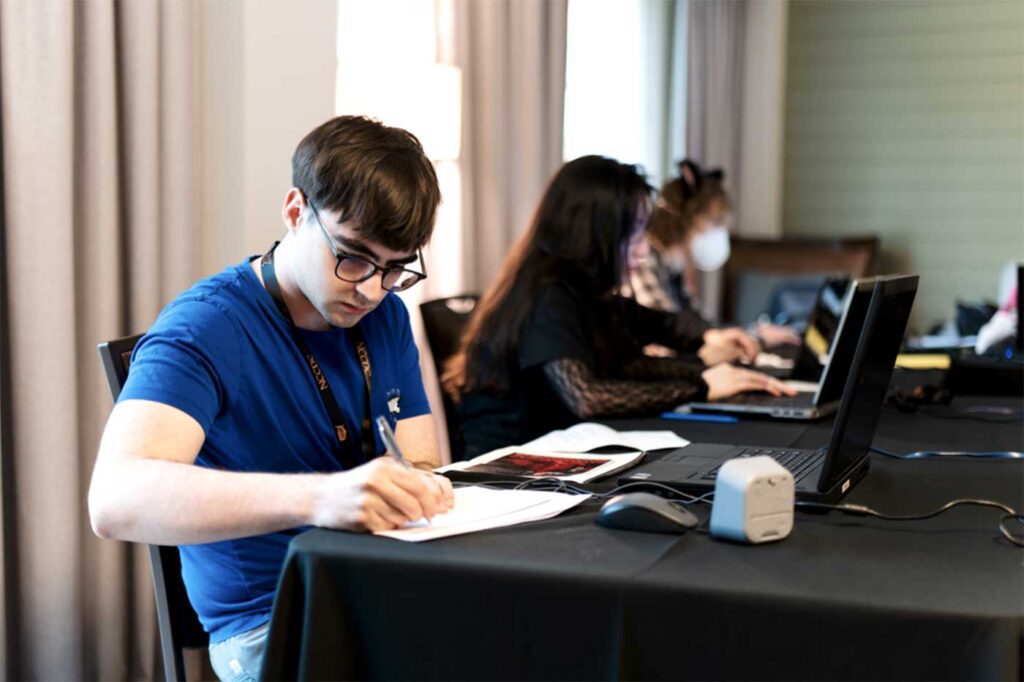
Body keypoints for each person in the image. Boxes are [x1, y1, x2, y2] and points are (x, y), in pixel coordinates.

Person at [88, 115, 455, 680]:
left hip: (375, 585)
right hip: (270, 621)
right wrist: (321, 499)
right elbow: (113, 500)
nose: (370, 289)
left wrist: (414, 487)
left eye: (395, 268)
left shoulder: (387, 316)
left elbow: (422, 458)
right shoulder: (207, 326)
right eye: (353, 256)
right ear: (295, 210)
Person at [442, 155, 794, 458]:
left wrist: (707, 344)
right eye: (635, 234)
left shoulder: (587, 290)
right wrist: (700, 385)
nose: (643, 250)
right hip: (503, 477)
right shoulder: (550, 295)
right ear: (596, 234)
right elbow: (587, 396)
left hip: (554, 456)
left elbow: (655, 328)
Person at [627, 159, 799, 350]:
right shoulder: (640, 263)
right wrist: (757, 339)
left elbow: (704, 331)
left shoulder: (671, 270)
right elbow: (669, 342)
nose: (720, 232)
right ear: (684, 218)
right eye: (714, 221)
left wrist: (754, 333)